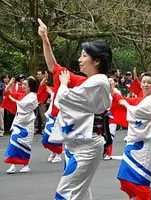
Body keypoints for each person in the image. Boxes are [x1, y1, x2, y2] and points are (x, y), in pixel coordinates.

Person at [38, 19, 112, 199]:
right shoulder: (87, 82)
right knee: (80, 194)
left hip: (87, 145)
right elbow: (54, 68)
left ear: (96, 61)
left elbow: (63, 98)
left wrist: (63, 85)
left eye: (84, 55)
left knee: (65, 194)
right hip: (76, 143)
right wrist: (45, 39)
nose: (79, 59)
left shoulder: (99, 81)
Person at [113, 72, 151, 200]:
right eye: (144, 82)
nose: (146, 84)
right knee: (125, 174)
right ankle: (134, 197)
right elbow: (123, 100)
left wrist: (126, 105)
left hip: (144, 143)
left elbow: (139, 113)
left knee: (140, 179)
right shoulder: (141, 99)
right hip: (132, 141)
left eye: (149, 82)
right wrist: (111, 88)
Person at [4, 77, 38, 173]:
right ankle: (13, 165)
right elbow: (6, 93)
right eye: (22, 84)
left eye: (25, 85)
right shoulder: (21, 95)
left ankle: (25, 165)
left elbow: (22, 104)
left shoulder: (33, 96)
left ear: (30, 87)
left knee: (25, 143)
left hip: (27, 122)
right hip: (18, 121)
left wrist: (13, 99)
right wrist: (10, 83)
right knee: (13, 142)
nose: (22, 86)